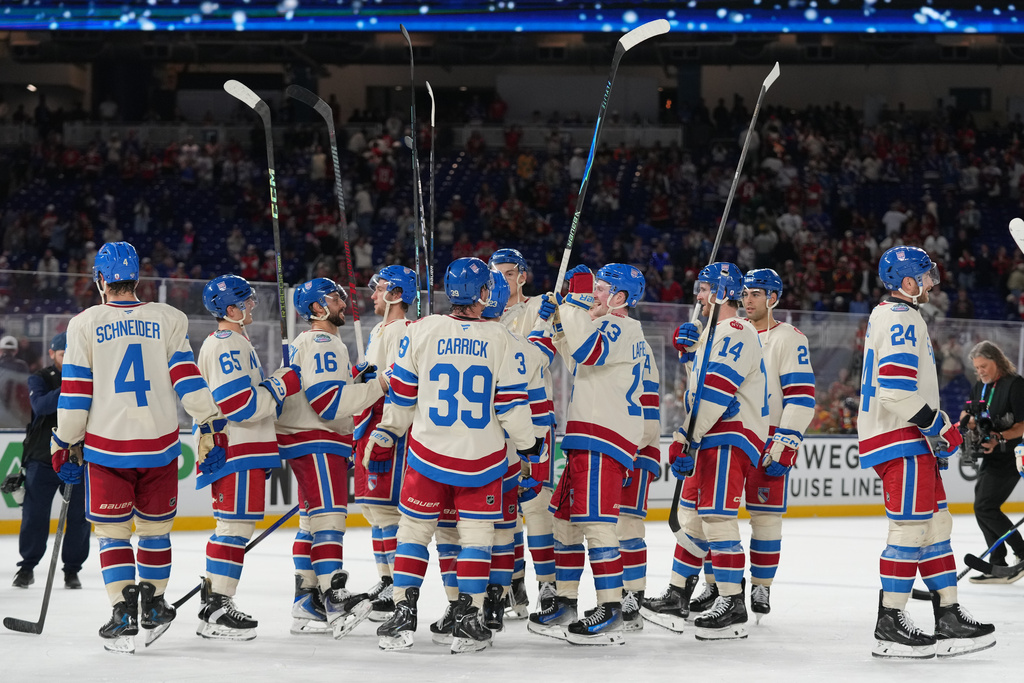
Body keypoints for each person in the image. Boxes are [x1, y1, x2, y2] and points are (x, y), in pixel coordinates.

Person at [52, 241, 222, 654]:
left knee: (112, 535)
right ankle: (155, 605)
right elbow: (188, 378)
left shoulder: (84, 323)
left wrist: (64, 440)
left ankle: (123, 612)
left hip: (107, 450)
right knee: (155, 532)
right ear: (136, 278)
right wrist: (210, 420)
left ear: (100, 281)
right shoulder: (168, 318)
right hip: (160, 447)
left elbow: (75, 393)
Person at [369, 257, 542, 654]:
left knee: (413, 533)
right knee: (476, 539)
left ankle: (402, 613)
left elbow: (403, 394)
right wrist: (530, 444)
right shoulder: (501, 338)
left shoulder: (422, 329)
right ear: (485, 293)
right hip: (481, 459)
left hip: (427, 453)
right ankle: (468, 616)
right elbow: (512, 407)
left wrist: (387, 430)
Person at [858, 245, 994, 659]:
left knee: (936, 527)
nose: (932, 281)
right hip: (901, 440)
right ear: (907, 281)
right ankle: (890, 621)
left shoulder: (896, 315)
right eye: (926, 274)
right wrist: (940, 428)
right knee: (910, 529)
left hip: (907, 439)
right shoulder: (902, 318)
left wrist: (934, 433)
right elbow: (896, 391)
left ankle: (948, 615)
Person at [642, 262, 768, 641]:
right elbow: (700, 390)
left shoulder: (735, 329)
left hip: (729, 434)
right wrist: (693, 351)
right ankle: (678, 595)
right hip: (711, 433)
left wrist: (687, 436)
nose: (697, 295)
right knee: (693, 519)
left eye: (704, 289)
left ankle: (732, 602)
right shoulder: (715, 333)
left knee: (716, 517)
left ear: (720, 292)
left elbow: (716, 392)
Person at [527, 263, 649, 645]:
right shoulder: (607, 327)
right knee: (565, 524)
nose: (595, 294)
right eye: (593, 288)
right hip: (583, 437)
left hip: (604, 438)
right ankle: (565, 601)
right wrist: (559, 323)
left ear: (621, 298)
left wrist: (572, 304)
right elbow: (576, 356)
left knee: (597, 525)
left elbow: (588, 351)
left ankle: (611, 607)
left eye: (601, 288)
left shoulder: (625, 326)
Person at [278, 277, 388, 638]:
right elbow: (327, 404)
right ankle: (334, 599)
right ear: (317, 308)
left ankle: (306, 601)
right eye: (335, 297)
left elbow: (328, 391)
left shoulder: (312, 342)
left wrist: (355, 380)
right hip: (318, 439)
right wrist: (376, 387)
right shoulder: (323, 340)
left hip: (306, 438)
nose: (343, 302)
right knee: (329, 518)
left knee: (311, 521)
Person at [195, 274, 302, 641]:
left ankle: (215, 602)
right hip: (237, 447)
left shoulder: (234, 341)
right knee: (234, 528)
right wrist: (280, 384)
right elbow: (238, 404)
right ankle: (217, 609)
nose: (252, 306)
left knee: (233, 526)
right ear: (230, 309)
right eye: (246, 302)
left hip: (242, 448)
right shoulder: (227, 344)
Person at [733, 268, 816, 620]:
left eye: (756, 294)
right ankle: (719, 585)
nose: (747, 300)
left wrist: (785, 441)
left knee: (766, 518)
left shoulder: (789, 338)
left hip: (767, 437)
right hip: (729, 433)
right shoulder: (730, 333)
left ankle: (761, 585)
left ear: (773, 298)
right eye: (745, 294)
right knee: (714, 516)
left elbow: (801, 396)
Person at [488, 247, 557, 618]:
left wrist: (553, 320)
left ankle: (547, 584)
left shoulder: (539, 306)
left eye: (509, 273)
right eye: (495, 274)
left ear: (523, 275)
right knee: (504, 510)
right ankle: (511, 583)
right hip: (495, 422)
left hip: (536, 418)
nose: (502, 279)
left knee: (537, 506)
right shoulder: (486, 316)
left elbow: (546, 354)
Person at [353, 265, 415, 622]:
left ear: (394, 293)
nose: (372, 295)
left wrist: (372, 377)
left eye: (378, 290)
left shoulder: (404, 329)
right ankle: (385, 579)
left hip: (388, 427)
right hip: (368, 422)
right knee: (374, 511)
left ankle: (395, 586)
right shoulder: (380, 328)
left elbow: (400, 379)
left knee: (388, 510)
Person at [14, 332, 90, 590]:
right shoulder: (41, 378)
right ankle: (27, 567)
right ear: (52, 354)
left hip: (78, 458)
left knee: (79, 518)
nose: (67, 358)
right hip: (42, 458)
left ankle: (72, 570)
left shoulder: (88, 378)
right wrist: (72, 385)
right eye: (62, 354)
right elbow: (42, 406)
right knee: (34, 515)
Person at [960, 341, 1024, 583]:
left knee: (986, 506)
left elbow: (1022, 425)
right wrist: (969, 421)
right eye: (977, 368)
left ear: (996, 361)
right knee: (982, 506)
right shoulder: (981, 386)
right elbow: (966, 411)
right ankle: (997, 563)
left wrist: (999, 436)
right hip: (991, 455)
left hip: (1012, 455)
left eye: (984, 366)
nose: (980, 372)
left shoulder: (1015, 385)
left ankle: (1021, 553)